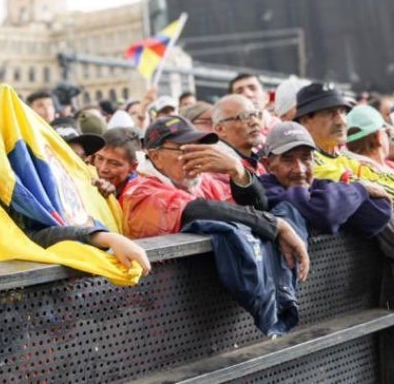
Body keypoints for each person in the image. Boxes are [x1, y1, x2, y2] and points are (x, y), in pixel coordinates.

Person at [120, 117, 307, 281]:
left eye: (200, 148)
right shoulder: (139, 192)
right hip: (159, 297)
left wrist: (238, 172)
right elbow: (195, 210)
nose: (196, 157)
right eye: (185, 150)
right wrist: (275, 225)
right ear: (156, 157)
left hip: (208, 293)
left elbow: (256, 208)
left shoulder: (204, 181)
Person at [259, 122, 394, 243]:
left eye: (306, 158)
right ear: (268, 164)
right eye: (288, 160)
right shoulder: (264, 190)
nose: (300, 169)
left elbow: (379, 211)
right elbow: (324, 212)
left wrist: (341, 202)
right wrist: (360, 190)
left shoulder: (317, 185)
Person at [294, 82, 394, 210]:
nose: (341, 121)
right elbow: (372, 187)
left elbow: (381, 178)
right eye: (329, 113)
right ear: (305, 120)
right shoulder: (308, 162)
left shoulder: (343, 158)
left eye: (342, 112)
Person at [211, 94, 265, 174]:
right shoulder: (217, 168)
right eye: (244, 116)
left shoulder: (257, 161)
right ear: (220, 129)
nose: (255, 122)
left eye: (256, 115)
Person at [93, 127, 140, 198]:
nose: (102, 169)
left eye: (113, 163)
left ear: (133, 167)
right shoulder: (85, 176)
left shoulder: (139, 196)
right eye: (100, 158)